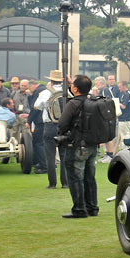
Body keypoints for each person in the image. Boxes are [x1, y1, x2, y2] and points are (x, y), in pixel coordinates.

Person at [56, 74, 99, 218]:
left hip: (76, 145)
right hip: (92, 145)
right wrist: (71, 85)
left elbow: (62, 124)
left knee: (75, 177)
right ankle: (92, 207)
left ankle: (79, 209)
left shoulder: (73, 104)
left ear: (75, 89)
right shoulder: (93, 101)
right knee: (89, 177)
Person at [35, 70, 69, 190]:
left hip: (49, 126)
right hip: (64, 127)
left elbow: (36, 106)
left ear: (51, 81)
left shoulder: (45, 93)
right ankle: (65, 183)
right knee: (64, 156)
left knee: (50, 156)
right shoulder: (67, 92)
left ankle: (52, 183)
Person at [27, 79, 47, 174]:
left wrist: (29, 121)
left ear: (32, 85)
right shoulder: (45, 90)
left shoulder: (37, 92)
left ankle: (44, 166)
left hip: (40, 121)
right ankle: (45, 163)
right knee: (45, 143)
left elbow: (35, 108)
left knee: (39, 143)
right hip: (47, 121)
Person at [115, 80, 130, 151]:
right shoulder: (121, 94)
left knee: (125, 137)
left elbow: (123, 106)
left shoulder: (127, 94)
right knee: (121, 137)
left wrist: (116, 103)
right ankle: (122, 150)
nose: (119, 89)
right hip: (121, 118)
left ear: (124, 86)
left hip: (126, 119)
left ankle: (126, 151)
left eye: (120, 87)